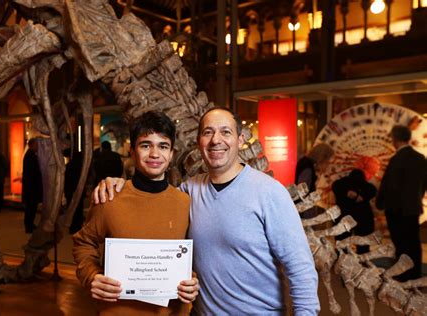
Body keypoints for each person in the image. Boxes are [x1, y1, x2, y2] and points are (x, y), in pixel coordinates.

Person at [94, 108, 320, 315]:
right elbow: (153, 195)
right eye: (208, 132)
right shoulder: (187, 192)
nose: (216, 140)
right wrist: (120, 185)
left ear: (241, 140)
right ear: (198, 141)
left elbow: (300, 268)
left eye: (225, 132)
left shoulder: (270, 193)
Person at [72, 111, 199, 316]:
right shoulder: (110, 197)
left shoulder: (185, 203)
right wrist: (92, 276)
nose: (155, 154)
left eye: (163, 146)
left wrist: (191, 279)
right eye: (146, 145)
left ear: (172, 154)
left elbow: (194, 255)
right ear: (132, 152)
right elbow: (83, 243)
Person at [376, 125, 427, 281]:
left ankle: (403, 274)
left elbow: (390, 185)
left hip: (396, 208)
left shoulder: (396, 159)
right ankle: (415, 274)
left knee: (400, 243)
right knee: (413, 242)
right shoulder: (420, 158)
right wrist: (417, 197)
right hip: (412, 207)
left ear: (395, 139)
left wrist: (380, 203)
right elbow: (425, 182)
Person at [332, 168, 377, 254]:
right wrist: (361, 196)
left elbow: (335, 186)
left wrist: (348, 192)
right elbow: (373, 190)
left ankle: (341, 263)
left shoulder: (342, 183)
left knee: (342, 245)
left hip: (344, 217)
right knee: (363, 248)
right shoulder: (365, 186)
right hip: (362, 218)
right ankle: (362, 264)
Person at [295, 143, 334, 218]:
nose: (327, 165)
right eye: (327, 162)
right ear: (322, 159)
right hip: (303, 212)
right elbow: (302, 193)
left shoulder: (306, 163)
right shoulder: (308, 168)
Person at [21, 138, 42, 234]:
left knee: (32, 208)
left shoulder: (31, 155)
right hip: (31, 188)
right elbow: (32, 173)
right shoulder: (30, 156)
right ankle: (29, 226)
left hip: (32, 187)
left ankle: (30, 224)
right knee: (30, 208)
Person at [64, 149, 85, 234]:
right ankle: (77, 227)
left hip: (70, 191)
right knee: (79, 209)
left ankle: (72, 226)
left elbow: (66, 180)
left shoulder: (69, 166)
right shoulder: (82, 168)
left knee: (71, 209)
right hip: (79, 191)